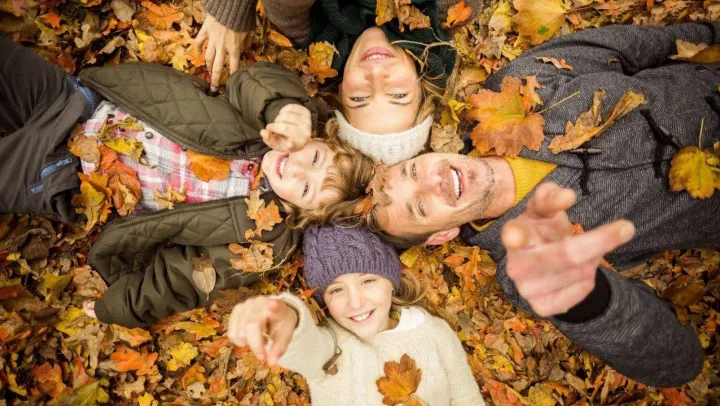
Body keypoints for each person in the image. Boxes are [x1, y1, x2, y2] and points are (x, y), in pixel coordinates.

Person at [337, 22, 720, 387]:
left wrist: (710, 35)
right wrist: (583, 297)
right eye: (420, 208)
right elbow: (678, 363)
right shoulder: (528, 270)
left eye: (412, 172)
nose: (432, 183)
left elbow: (631, 47)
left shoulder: (513, 90)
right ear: (442, 235)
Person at [0, 36, 374, 328]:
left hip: (67, 171)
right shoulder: (273, 123)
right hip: (81, 101)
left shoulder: (264, 239)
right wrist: (284, 109)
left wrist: (122, 305)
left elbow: (185, 278)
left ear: (303, 213)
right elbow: (250, 81)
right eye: (314, 158)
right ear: (320, 137)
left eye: (306, 188)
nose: (296, 168)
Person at [195, 0, 483, 164]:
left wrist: (231, 12)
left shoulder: (311, 36)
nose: (375, 76)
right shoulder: (453, 8)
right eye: (397, 94)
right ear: (422, 84)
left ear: (340, 91)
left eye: (359, 99)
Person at [227, 226, 486, 405]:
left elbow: (467, 400)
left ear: (391, 282)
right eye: (336, 290)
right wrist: (287, 317)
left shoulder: (433, 332)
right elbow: (306, 345)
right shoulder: (332, 345)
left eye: (368, 281)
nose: (355, 301)